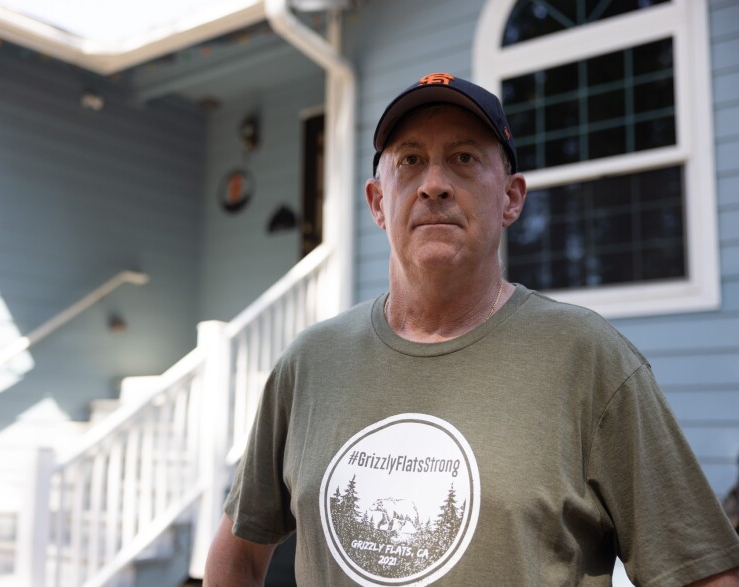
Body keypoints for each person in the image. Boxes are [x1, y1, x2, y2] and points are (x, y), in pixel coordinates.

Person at [203, 73, 739, 586]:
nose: (433, 184)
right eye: (410, 161)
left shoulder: (587, 358)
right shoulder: (310, 364)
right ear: (377, 203)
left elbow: (702, 575)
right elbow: (235, 562)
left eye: (463, 159)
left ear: (510, 198)